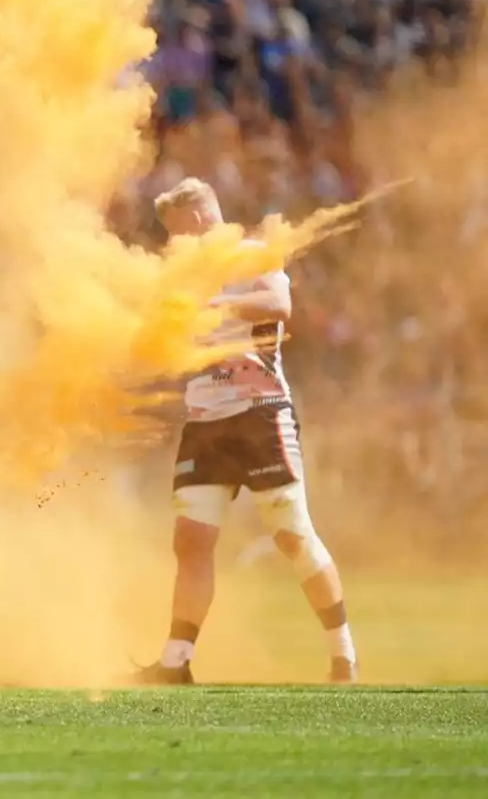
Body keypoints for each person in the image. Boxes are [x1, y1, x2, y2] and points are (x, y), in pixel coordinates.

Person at [136, 177, 358, 686]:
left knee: (291, 534)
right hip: (204, 418)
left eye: (176, 231)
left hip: (259, 411)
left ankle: (343, 655)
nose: (174, 243)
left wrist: (212, 308)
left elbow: (279, 308)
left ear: (196, 220)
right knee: (191, 539)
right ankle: (175, 661)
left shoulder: (253, 254)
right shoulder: (183, 275)